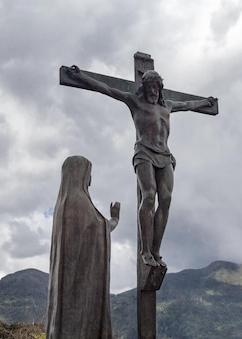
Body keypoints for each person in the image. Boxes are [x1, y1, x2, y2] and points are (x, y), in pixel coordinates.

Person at [67, 66, 215, 268]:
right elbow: (107, 89)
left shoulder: (167, 106)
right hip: (144, 152)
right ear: (144, 89)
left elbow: (189, 104)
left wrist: (206, 102)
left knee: (166, 199)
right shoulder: (135, 102)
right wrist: (81, 77)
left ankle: (156, 250)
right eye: (150, 88)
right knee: (149, 196)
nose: (153, 91)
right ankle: (145, 251)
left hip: (165, 156)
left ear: (160, 89)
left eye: (156, 88)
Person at [30, 156, 121, 339]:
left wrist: (105, 224)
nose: (91, 179)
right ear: (81, 174)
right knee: (87, 335)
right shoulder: (80, 203)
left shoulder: (63, 204)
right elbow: (98, 230)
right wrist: (113, 221)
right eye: (89, 173)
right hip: (83, 292)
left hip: (69, 292)